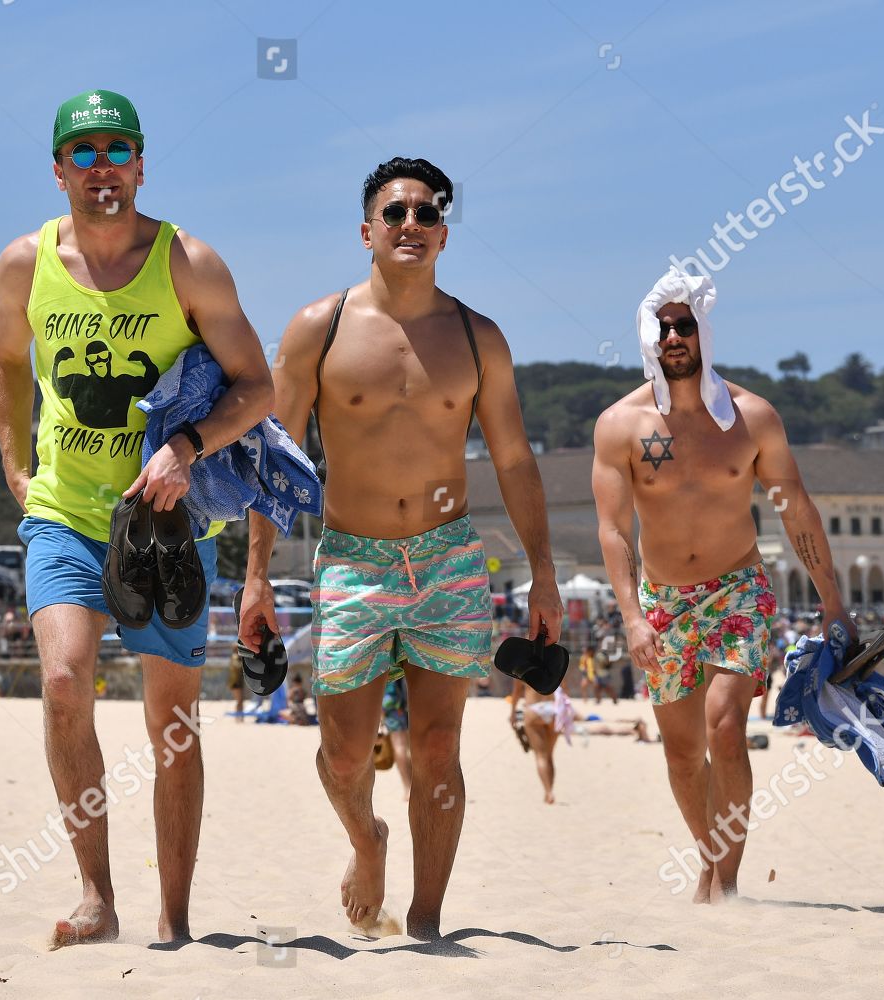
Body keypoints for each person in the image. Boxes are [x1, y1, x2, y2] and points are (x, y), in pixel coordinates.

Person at [240, 156, 564, 939]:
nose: (410, 224)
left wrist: (544, 576)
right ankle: (367, 840)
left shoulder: (478, 338)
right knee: (347, 756)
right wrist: (254, 577)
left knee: (440, 746)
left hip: (450, 558)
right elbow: (273, 456)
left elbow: (515, 460)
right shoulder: (319, 329)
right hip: (354, 559)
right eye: (395, 213)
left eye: (426, 214)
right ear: (366, 231)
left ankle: (426, 919)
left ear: (444, 234)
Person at [0, 88, 274, 948]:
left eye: (118, 149)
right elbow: (4, 367)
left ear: (142, 165)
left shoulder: (190, 262)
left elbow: (259, 388)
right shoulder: (21, 264)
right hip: (68, 513)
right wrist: (14, 462)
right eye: (84, 152)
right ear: (58, 169)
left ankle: (175, 919)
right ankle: (96, 897)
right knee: (66, 681)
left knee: (171, 721)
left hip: (169, 524)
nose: (102, 165)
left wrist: (185, 447)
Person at [591, 267, 854, 904]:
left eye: (684, 325)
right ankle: (710, 861)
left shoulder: (752, 418)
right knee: (682, 754)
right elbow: (613, 531)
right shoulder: (620, 425)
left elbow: (798, 510)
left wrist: (832, 600)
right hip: (661, 600)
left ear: (703, 332)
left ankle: (727, 883)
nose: (673, 336)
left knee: (725, 726)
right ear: (648, 338)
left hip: (737, 588)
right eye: (663, 327)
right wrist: (630, 616)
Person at [509, 678, 566, 804]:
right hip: (553, 709)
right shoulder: (557, 660)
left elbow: (517, 692)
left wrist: (513, 713)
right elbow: (563, 689)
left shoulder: (522, 664)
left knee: (541, 756)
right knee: (549, 755)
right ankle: (550, 790)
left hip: (534, 709)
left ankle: (548, 792)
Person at [381, 676, 413, 800]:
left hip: (392, 703)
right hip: (409, 699)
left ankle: (408, 787)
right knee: (412, 746)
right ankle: (416, 785)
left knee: (400, 747)